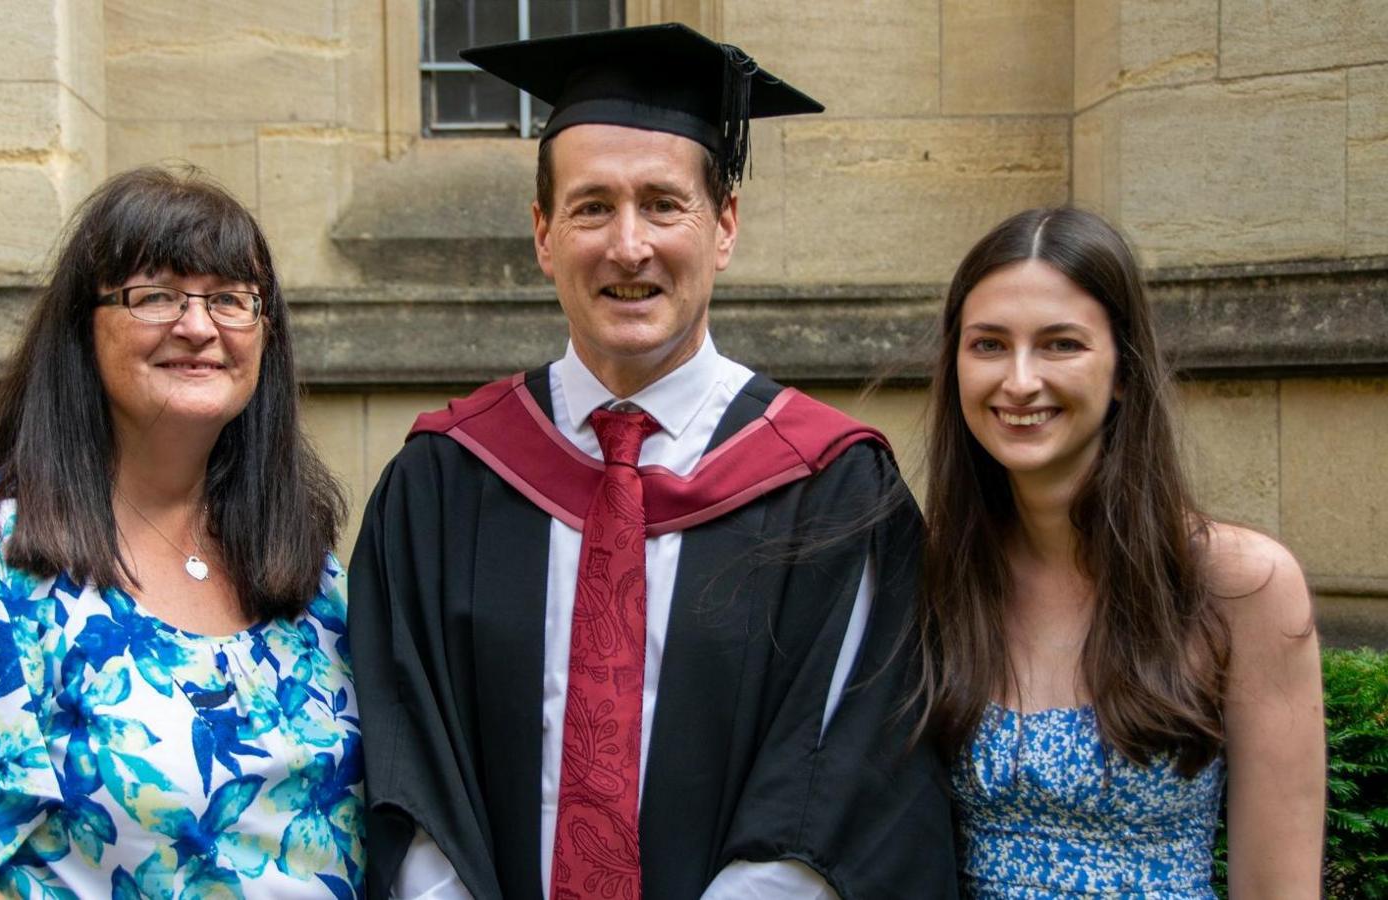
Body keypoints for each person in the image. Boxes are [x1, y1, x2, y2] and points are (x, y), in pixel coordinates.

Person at [348, 23, 955, 900]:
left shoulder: (832, 491)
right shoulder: (444, 483)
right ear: (543, 234)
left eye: (663, 204)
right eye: (592, 206)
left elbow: (848, 778)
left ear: (725, 227)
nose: (628, 246)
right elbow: (403, 757)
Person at [0, 167, 365, 897]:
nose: (198, 325)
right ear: (80, 331)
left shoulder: (304, 570)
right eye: (154, 295)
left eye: (230, 299)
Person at [915, 207, 1326, 896]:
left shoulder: (1239, 585)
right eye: (988, 344)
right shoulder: (931, 576)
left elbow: (1277, 888)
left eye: (1061, 344)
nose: (1018, 381)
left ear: (1125, 370)